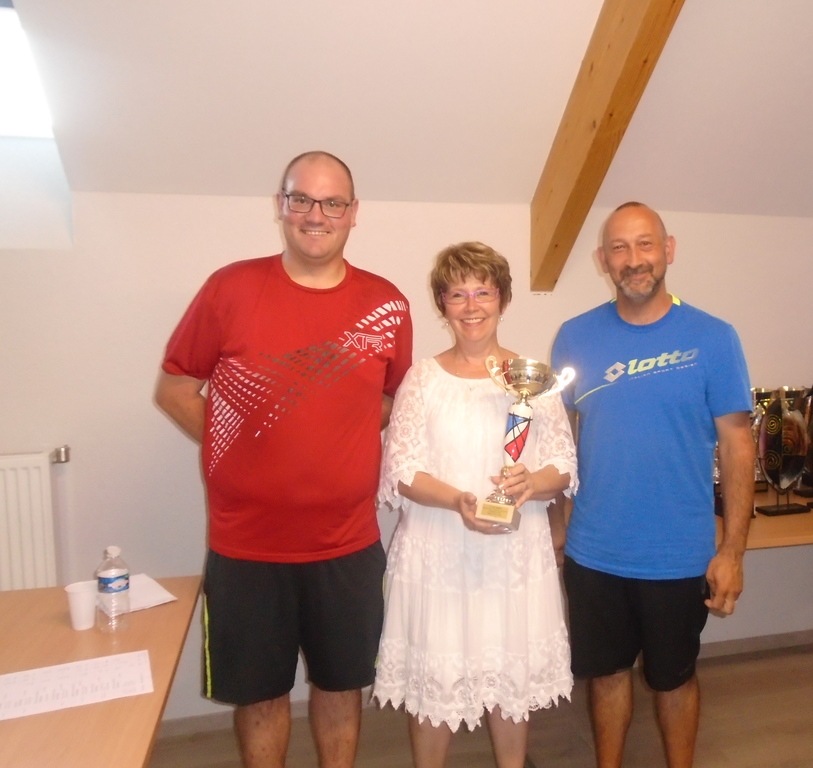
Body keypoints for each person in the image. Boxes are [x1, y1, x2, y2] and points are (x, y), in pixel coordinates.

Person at [154, 151, 413, 768]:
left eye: (332, 202)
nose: (315, 215)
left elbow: (392, 399)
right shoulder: (229, 289)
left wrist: (337, 435)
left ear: (353, 212)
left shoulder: (387, 304)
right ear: (281, 205)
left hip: (347, 544)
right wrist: (238, 443)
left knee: (341, 687)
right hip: (248, 547)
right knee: (260, 696)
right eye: (301, 199)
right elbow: (175, 389)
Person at [551, 202, 755, 768]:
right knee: (607, 676)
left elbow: (739, 446)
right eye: (619, 247)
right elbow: (558, 438)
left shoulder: (714, 337)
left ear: (669, 250)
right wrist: (557, 523)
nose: (633, 259)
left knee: (674, 679)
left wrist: (733, 551)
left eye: (645, 244)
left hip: (678, 554)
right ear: (602, 259)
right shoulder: (574, 336)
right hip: (595, 550)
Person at [372, 241, 576, 768]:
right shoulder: (422, 378)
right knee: (434, 683)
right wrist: (459, 501)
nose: (471, 306)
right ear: (442, 304)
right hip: (439, 551)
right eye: (457, 294)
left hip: (513, 555)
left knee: (509, 678)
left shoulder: (532, 377)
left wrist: (532, 482)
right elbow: (403, 469)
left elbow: (563, 463)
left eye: (483, 292)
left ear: (502, 299)